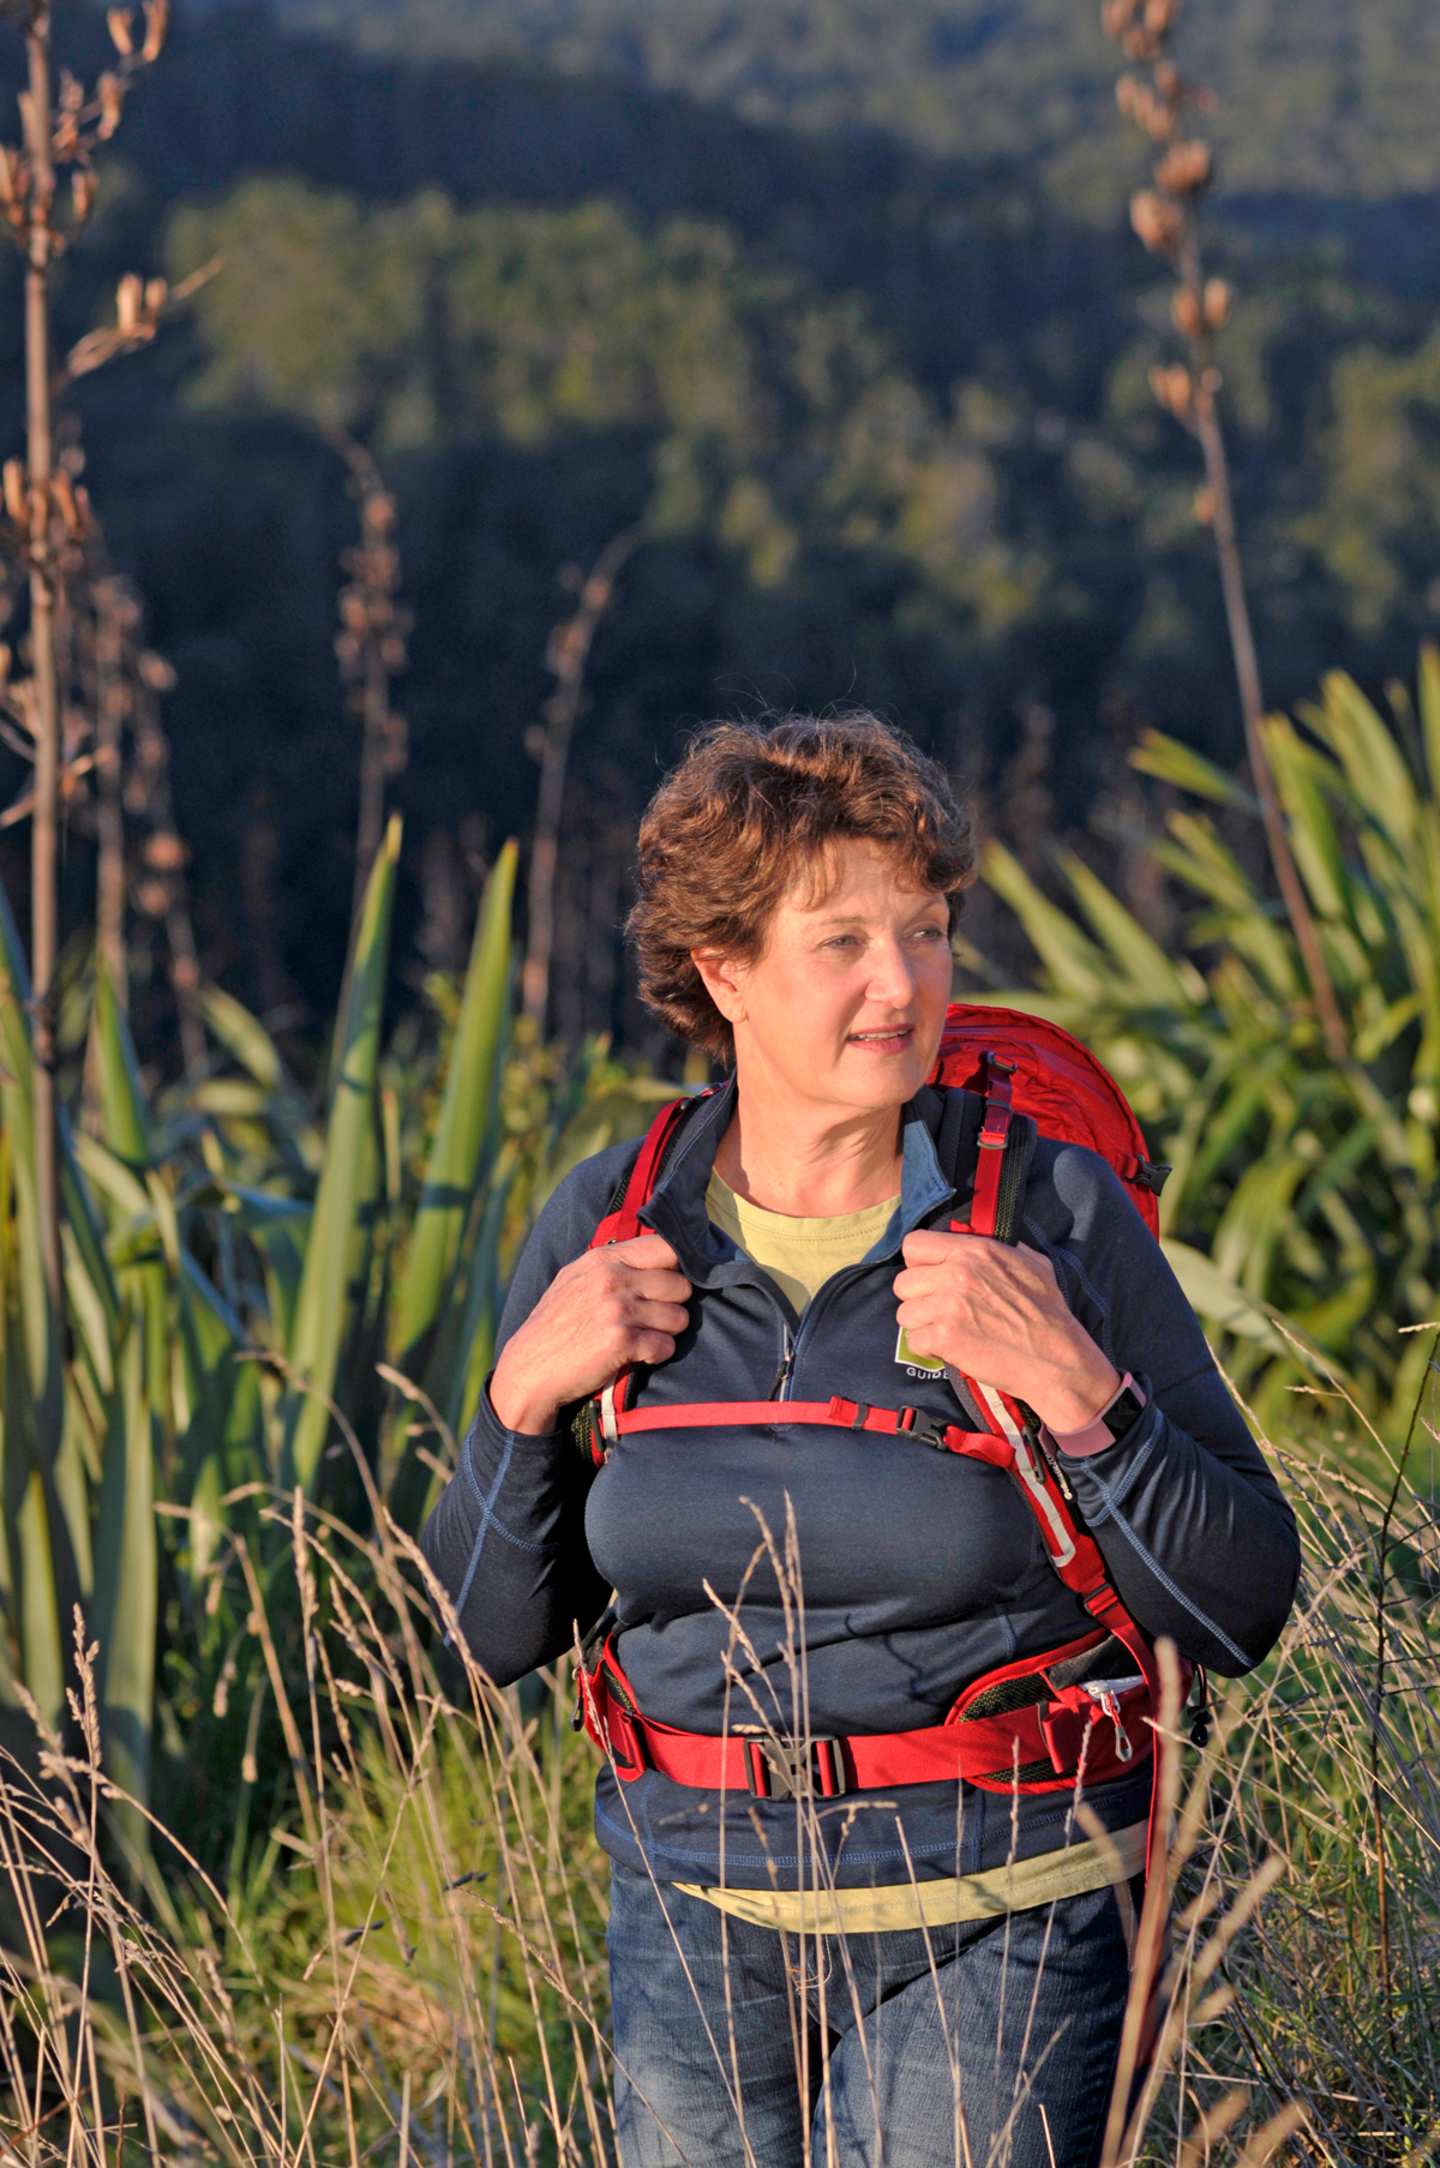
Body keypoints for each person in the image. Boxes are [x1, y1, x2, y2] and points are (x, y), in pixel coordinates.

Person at [420, 712, 1299, 2167]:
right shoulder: (614, 1219)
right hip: (691, 1925)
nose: (904, 983)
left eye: (930, 930)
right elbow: (491, 1631)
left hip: (1010, 1912)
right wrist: (524, 1399)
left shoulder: (1051, 1213)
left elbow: (1245, 1598)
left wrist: (1081, 1386)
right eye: (842, 942)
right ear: (725, 973)